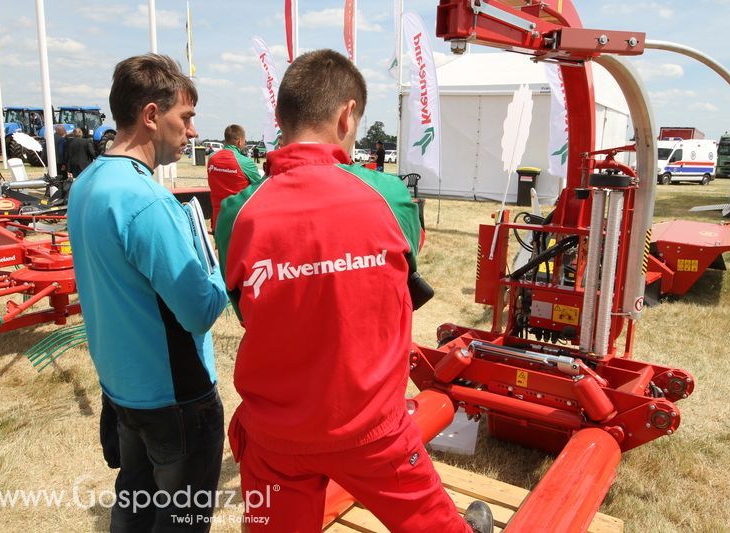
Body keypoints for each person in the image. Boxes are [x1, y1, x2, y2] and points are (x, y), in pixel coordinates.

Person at [215, 49, 493, 533]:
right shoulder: (389, 196)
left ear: (280, 117)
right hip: (374, 432)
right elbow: (403, 276)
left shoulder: (238, 213)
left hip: (276, 438)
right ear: (347, 114)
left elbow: (248, 311)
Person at [67, 53, 228, 532]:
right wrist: (215, 261)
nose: (193, 132)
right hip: (175, 398)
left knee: (134, 506)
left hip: (124, 389)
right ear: (152, 116)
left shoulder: (88, 183)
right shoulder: (149, 202)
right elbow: (200, 308)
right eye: (187, 117)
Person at [206, 124, 262, 230]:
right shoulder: (245, 162)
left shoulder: (211, 158)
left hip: (218, 220)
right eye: (244, 142)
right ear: (239, 141)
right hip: (238, 221)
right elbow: (260, 187)